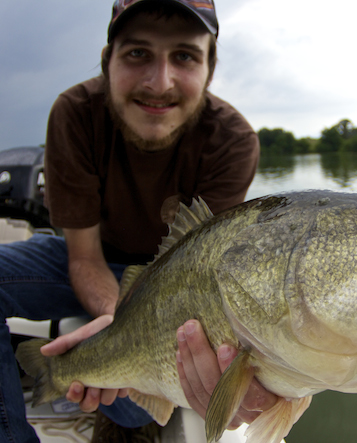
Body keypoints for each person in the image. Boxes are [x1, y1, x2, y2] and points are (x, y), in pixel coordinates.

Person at [0, 1, 278, 442]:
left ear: (209, 68)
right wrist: (122, 326)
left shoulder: (233, 140)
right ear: (108, 59)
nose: (159, 82)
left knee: (132, 409)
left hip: (179, 285)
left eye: (184, 56)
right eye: (137, 54)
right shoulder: (74, 112)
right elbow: (84, 256)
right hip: (92, 258)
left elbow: (209, 280)